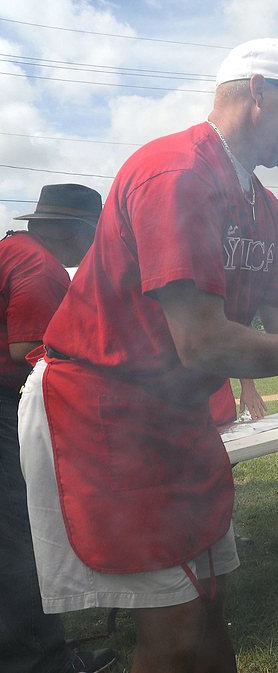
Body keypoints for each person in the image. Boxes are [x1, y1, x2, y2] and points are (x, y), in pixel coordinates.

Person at [17, 39, 278, 673]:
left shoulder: (263, 206)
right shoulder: (176, 174)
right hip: (106, 411)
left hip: (173, 414)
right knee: (175, 626)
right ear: (258, 91)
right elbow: (204, 343)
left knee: (211, 603)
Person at [0, 184, 117, 672]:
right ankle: (43, 663)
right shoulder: (41, 267)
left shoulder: (10, 249)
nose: (93, 250)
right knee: (19, 543)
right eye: (94, 238)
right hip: (6, 406)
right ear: (77, 230)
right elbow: (26, 351)